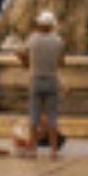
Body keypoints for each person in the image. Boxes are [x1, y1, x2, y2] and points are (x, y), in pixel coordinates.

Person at [18, 11, 67, 159]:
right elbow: (62, 63)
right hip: (51, 80)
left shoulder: (32, 39)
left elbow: (21, 54)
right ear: (52, 25)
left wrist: (26, 63)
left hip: (36, 80)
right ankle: (53, 150)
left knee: (34, 115)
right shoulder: (58, 41)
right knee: (52, 116)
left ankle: (33, 150)